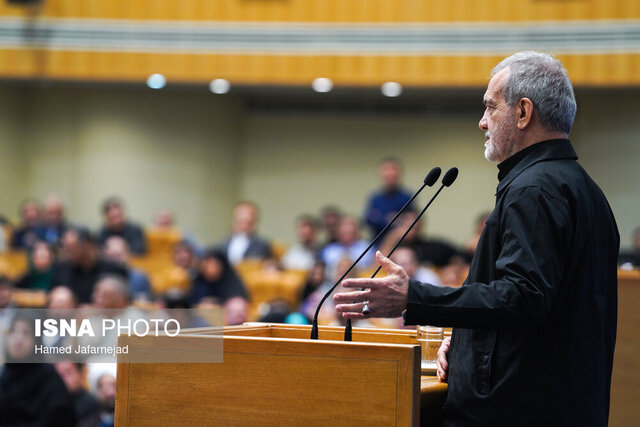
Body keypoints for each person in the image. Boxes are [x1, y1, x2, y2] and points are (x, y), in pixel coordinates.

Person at [334, 51, 619, 426]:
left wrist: (413, 297)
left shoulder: (534, 190)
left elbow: (523, 298)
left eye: (490, 107)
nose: (482, 122)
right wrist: (470, 338)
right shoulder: (585, 189)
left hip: (516, 409)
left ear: (523, 112)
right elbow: (551, 307)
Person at [0, 312, 76, 426]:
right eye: (13, 331)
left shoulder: (48, 377)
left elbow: (60, 418)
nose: (18, 339)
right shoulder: (3, 374)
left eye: (26, 333)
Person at [54, 227, 128, 304]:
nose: (68, 255)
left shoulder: (114, 270)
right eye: (65, 249)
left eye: (71, 249)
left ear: (87, 245)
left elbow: (122, 301)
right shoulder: (62, 269)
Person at [363, 157, 413, 238]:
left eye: (393, 169)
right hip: (378, 241)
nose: (390, 173)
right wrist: (390, 219)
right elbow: (369, 219)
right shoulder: (375, 198)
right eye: (386, 170)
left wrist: (381, 217)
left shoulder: (406, 197)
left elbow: (410, 221)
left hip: (401, 241)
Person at [217, 201, 272, 266]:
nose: (244, 226)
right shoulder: (222, 244)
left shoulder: (263, 245)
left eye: (248, 222)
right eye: (241, 221)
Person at [103, 236, 153, 300]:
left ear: (127, 254)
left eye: (118, 255)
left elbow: (143, 302)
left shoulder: (139, 278)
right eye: (112, 256)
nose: (115, 260)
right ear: (104, 255)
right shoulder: (97, 277)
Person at [55, 361, 100, 427]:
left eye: (68, 373)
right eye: (61, 375)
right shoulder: (53, 402)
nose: (64, 379)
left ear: (80, 373)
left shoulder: (91, 403)